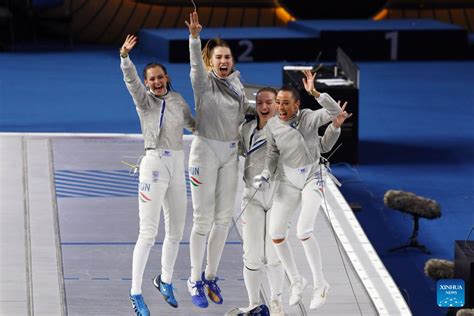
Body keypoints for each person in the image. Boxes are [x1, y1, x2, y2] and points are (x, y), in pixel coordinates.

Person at [253, 70, 352, 310]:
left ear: (297, 105)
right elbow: (272, 153)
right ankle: (297, 280)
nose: (280, 107)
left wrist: (315, 92)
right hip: (288, 180)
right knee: (275, 234)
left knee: (303, 230)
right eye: (278, 103)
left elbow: (333, 113)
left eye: (285, 103)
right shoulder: (273, 125)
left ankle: (320, 284)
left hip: (312, 177)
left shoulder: (308, 117)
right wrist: (266, 173)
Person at [120, 34, 195, 316]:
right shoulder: (144, 101)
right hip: (153, 166)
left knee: (176, 231)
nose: (155, 82)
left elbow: (194, 125)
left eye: (159, 77)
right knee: (148, 233)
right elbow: (131, 83)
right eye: (150, 79)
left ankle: (164, 280)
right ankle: (135, 293)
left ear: (167, 77)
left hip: (178, 165)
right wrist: (125, 58)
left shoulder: (177, 100)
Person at [184, 11, 254, 308]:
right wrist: (194, 38)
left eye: (227, 57)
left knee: (224, 220)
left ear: (232, 61)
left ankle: (211, 276)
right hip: (204, 153)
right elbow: (194, 67)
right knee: (203, 220)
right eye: (218, 58)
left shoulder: (238, 85)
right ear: (210, 61)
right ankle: (193, 279)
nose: (223, 61)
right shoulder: (204, 83)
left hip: (230, 155)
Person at [228, 87, 285, 316]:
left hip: (278, 196)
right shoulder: (247, 129)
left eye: (269, 102)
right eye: (260, 103)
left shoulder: (287, 129)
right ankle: (253, 304)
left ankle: (276, 304)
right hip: (251, 196)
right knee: (252, 255)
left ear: (277, 104)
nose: (264, 107)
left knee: (273, 255)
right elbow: (233, 153)